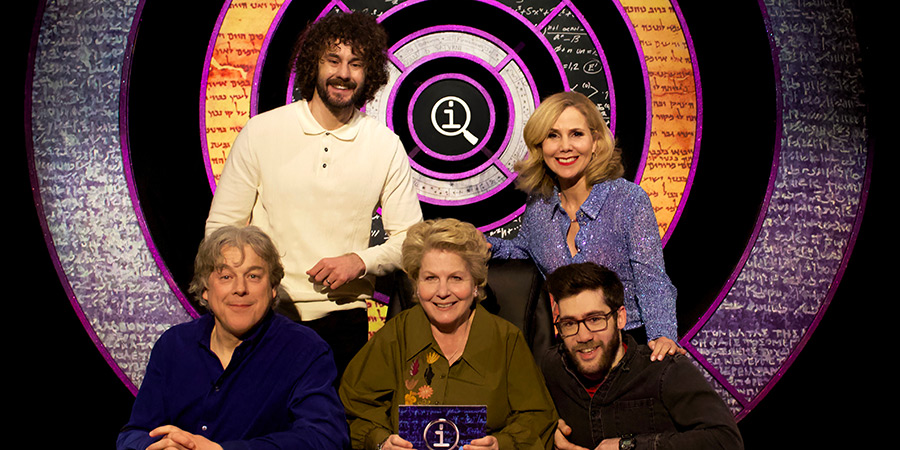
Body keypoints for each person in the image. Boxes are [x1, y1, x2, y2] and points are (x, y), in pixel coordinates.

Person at [204, 12, 423, 374]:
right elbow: (222, 228)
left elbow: (411, 241)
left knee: (327, 430)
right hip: (266, 314)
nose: (344, 73)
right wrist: (236, 295)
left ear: (369, 75)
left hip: (342, 322)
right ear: (313, 65)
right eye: (333, 60)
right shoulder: (262, 131)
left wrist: (360, 261)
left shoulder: (383, 144)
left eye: (356, 64)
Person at [116, 226, 349, 450]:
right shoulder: (173, 345)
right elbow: (133, 434)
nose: (240, 288)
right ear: (205, 289)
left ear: (272, 288)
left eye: (254, 276)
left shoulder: (305, 350)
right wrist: (157, 447)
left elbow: (326, 439)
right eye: (226, 276)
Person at [487, 91, 680, 360]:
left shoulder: (629, 200)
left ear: (596, 142)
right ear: (540, 146)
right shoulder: (539, 204)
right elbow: (525, 251)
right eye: (553, 135)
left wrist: (662, 335)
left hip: (627, 347)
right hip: (568, 350)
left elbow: (652, 279)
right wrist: (486, 246)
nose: (565, 146)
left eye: (576, 134)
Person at [340, 218, 558, 450]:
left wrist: (500, 445)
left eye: (456, 278)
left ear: (475, 284)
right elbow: (353, 408)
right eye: (431, 278)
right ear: (416, 285)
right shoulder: (396, 335)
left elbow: (538, 417)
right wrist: (382, 442)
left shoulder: (506, 339)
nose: (443, 292)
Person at [541, 262, 743, 450]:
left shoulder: (663, 370)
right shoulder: (552, 368)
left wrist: (629, 446)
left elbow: (726, 440)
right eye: (569, 324)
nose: (583, 336)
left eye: (595, 319)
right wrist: (547, 431)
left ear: (620, 318)